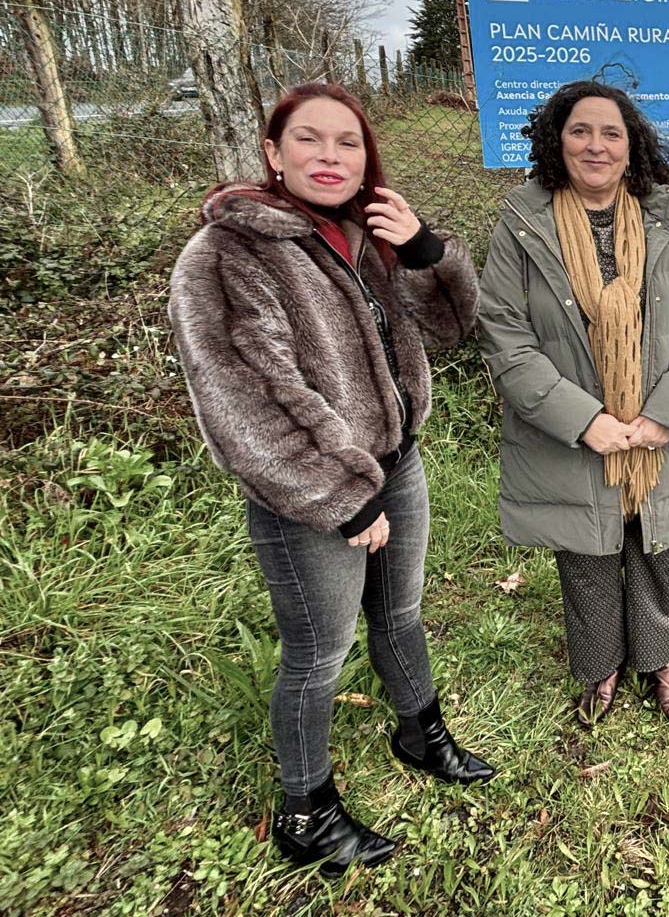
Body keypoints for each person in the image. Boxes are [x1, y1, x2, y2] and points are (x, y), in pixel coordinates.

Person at [168, 82, 495, 878]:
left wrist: (424, 252)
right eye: (309, 139)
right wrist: (341, 497)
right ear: (273, 154)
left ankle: (421, 733)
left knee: (401, 612)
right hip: (311, 491)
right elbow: (246, 397)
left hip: (396, 463)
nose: (330, 156)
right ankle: (305, 812)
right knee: (319, 651)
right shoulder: (226, 254)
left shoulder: (361, 235)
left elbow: (451, 329)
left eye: (348, 142)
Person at [477, 80, 669, 727]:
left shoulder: (667, 221)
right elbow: (504, 332)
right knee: (585, 553)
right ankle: (600, 667)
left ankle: (659, 661)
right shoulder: (523, 226)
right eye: (580, 131)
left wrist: (664, 414)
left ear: (630, 146)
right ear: (556, 142)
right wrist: (584, 421)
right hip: (573, 432)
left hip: (655, 429)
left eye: (611, 133)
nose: (596, 145)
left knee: (655, 546)